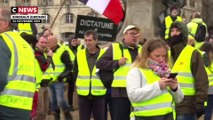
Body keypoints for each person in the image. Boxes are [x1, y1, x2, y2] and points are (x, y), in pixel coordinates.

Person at [126, 38, 183, 120]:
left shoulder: (166, 71)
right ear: (147, 54)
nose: (161, 59)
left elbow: (179, 99)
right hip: (144, 117)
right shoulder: (136, 71)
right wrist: (157, 86)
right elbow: (133, 96)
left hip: (167, 116)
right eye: (157, 56)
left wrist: (175, 88)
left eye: (164, 56)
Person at [96, 25, 142, 120]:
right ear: (124, 35)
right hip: (120, 92)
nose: (134, 36)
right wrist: (117, 62)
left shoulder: (141, 49)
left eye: (136, 34)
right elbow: (100, 63)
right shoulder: (115, 47)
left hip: (139, 90)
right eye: (132, 34)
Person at [0, 8, 36, 120]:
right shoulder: (24, 44)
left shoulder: (3, 41)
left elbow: (0, 78)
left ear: (5, 23)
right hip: (23, 108)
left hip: (3, 107)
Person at [168, 21, 208, 120]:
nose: (174, 33)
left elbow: (201, 79)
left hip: (187, 105)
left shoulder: (192, 52)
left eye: (177, 30)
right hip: (169, 105)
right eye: (172, 31)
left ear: (184, 33)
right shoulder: (168, 53)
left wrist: (200, 102)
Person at [74, 30, 106, 120]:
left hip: (99, 93)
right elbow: (75, 71)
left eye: (90, 40)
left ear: (96, 40)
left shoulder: (104, 54)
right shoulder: (79, 54)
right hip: (83, 94)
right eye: (86, 40)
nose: (87, 43)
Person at [47, 35, 73, 120]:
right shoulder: (47, 51)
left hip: (59, 81)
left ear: (54, 43)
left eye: (48, 42)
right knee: (53, 101)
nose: (47, 44)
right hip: (50, 80)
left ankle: (66, 112)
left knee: (60, 100)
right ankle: (56, 116)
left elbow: (69, 67)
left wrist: (61, 76)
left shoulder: (63, 51)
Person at [199, 42, 213, 120]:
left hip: (202, 89)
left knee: (205, 107)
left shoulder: (199, 61)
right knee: (209, 108)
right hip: (210, 90)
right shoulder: (210, 63)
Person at [66, 36, 79, 111]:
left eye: (76, 41)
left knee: (78, 89)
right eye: (73, 41)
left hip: (78, 71)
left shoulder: (80, 49)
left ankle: (77, 104)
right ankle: (69, 104)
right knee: (70, 89)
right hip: (70, 72)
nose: (75, 42)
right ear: (70, 41)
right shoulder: (66, 49)